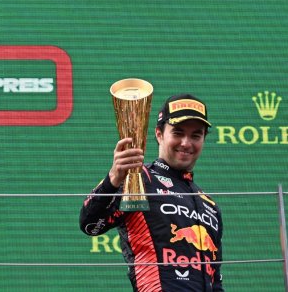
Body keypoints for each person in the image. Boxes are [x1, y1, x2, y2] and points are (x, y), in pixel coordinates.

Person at [79, 93, 223, 291]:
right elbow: (90, 225)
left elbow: (215, 281)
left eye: (195, 135)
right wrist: (113, 179)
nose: (186, 143)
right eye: (178, 133)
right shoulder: (138, 178)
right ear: (159, 134)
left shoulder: (209, 205)